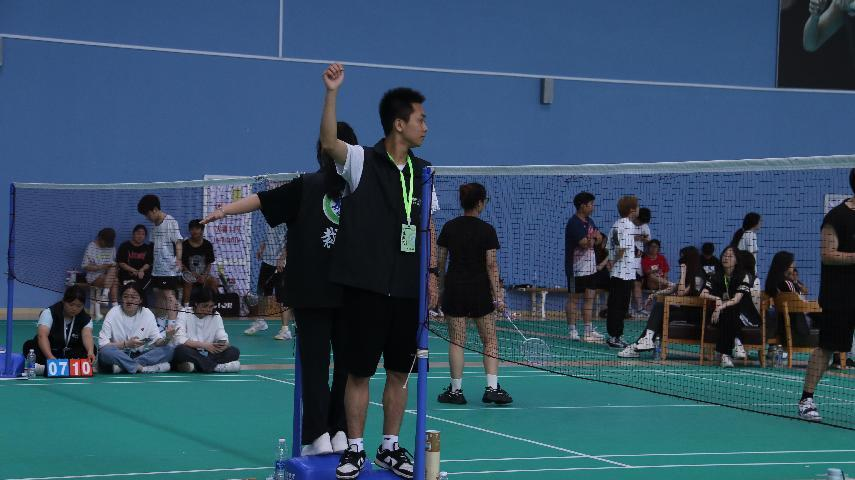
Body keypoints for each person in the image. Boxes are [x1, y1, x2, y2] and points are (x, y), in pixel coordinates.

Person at [202, 120, 359, 457]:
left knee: (316, 367)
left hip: (317, 293)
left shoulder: (310, 186)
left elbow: (260, 200)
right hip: (348, 292)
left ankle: (320, 435)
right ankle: (340, 432)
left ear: (322, 150)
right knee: (345, 368)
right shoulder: (361, 189)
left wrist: (223, 211)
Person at [319, 63, 439, 480]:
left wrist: (431, 274)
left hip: (407, 292)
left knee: (398, 373)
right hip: (365, 289)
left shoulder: (425, 172)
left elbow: (428, 228)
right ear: (399, 124)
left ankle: (390, 447)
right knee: (358, 373)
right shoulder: (360, 160)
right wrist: (332, 92)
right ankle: (355, 449)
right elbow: (328, 142)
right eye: (421, 119)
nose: (426, 126)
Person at [436, 183, 512, 406]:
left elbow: (440, 263)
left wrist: (440, 290)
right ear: (480, 203)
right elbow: (491, 265)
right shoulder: (487, 230)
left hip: (455, 290)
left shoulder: (449, 227)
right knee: (490, 341)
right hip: (479, 292)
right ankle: (492, 389)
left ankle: (456, 391)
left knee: (457, 341)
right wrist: (498, 296)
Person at [799, 169, 855, 422]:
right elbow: (827, 255)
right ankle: (806, 399)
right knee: (827, 348)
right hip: (839, 295)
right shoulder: (836, 217)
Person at [619, 246, 704, 358]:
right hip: (684, 310)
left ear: (690, 259)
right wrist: (654, 294)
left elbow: (681, 292)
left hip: (694, 314)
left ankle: (638, 345)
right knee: (659, 307)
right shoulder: (689, 273)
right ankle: (646, 340)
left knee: (661, 313)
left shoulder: (698, 276)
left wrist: (683, 272)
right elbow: (674, 288)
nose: (680, 261)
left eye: (683, 259)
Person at [97, 282, 175, 374]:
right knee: (105, 352)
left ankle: (124, 367)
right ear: (121, 299)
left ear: (140, 300)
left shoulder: (147, 314)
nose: (129, 300)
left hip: (139, 356)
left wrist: (168, 338)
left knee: (169, 350)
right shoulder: (113, 313)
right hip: (118, 354)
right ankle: (142, 368)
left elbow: (157, 342)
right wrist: (126, 344)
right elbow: (103, 345)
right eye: (125, 296)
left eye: (133, 297)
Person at [21, 285, 96, 375]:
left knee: (93, 349)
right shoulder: (49, 313)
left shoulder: (86, 318)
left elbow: (87, 335)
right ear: (64, 301)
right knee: (30, 346)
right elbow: (42, 336)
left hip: (71, 352)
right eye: (71, 304)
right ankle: (54, 367)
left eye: (79, 306)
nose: (74, 308)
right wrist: (50, 358)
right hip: (51, 350)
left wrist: (90, 352)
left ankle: (46, 368)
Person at [698, 246, 751, 368]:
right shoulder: (714, 276)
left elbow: (736, 299)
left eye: (730, 256)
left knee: (731, 310)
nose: (726, 258)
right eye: (724, 255)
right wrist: (716, 298)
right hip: (719, 316)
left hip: (742, 316)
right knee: (728, 313)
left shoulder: (744, 276)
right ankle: (736, 342)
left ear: (737, 260)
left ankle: (725, 355)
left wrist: (720, 307)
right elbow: (702, 294)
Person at [564, 191, 605, 343]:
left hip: (591, 268)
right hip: (576, 269)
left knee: (589, 298)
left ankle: (588, 330)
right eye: (591, 204)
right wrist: (593, 238)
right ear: (583, 206)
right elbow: (583, 243)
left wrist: (593, 238)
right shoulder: (573, 223)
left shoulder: (590, 221)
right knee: (574, 299)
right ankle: (572, 330)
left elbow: (599, 239)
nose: (593, 207)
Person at [137, 194, 183, 324]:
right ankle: (161, 324)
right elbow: (153, 246)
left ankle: (172, 324)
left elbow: (178, 242)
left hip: (168, 268)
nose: (146, 218)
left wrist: (179, 259)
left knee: (168, 295)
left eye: (147, 214)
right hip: (157, 268)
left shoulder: (171, 222)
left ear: (155, 209)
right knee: (158, 294)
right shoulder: (154, 226)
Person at [172, 287, 240, 373]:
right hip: (191, 350)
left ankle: (195, 366)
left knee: (234, 351)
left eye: (211, 306)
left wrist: (222, 345)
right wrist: (204, 345)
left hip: (210, 352)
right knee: (180, 351)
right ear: (196, 303)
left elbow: (222, 336)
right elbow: (179, 339)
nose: (208, 309)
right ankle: (216, 367)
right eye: (205, 306)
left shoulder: (216, 315)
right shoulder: (184, 313)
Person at [244, 224, 294, 340]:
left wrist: (283, 258)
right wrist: (262, 248)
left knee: (282, 297)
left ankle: (285, 330)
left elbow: (291, 240)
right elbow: (268, 235)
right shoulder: (270, 218)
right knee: (262, 292)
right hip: (267, 261)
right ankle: (261, 321)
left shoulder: (287, 221)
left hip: (281, 264)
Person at [606, 196, 639, 349]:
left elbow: (610, 247)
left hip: (617, 273)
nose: (638, 210)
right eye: (637, 207)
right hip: (623, 274)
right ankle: (615, 336)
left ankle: (615, 335)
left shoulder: (616, 224)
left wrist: (610, 262)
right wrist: (613, 262)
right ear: (632, 210)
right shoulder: (628, 225)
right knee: (620, 306)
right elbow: (621, 249)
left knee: (615, 305)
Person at [81, 227, 119, 316]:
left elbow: (114, 263)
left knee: (114, 271)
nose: (106, 245)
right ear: (100, 238)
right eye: (105, 243)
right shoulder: (91, 247)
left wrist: (112, 267)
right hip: (94, 276)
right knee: (114, 280)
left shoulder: (111, 247)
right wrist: (101, 267)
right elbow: (84, 266)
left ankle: (105, 295)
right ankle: (115, 309)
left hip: (108, 275)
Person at [181, 219, 219, 306]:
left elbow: (209, 263)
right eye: (192, 229)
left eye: (197, 229)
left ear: (202, 230)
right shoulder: (184, 245)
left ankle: (213, 305)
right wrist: (189, 273)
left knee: (214, 281)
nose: (194, 231)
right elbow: (181, 263)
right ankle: (186, 308)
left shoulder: (207, 245)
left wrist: (204, 276)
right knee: (188, 281)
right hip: (188, 274)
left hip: (203, 275)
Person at [631, 207, 652, 316]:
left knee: (637, 283)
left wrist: (643, 239)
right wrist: (635, 238)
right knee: (626, 284)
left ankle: (639, 308)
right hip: (627, 259)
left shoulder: (645, 227)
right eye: (639, 221)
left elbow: (648, 240)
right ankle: (626, 308)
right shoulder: (628, 224)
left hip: (638, 259)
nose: (640, 224)